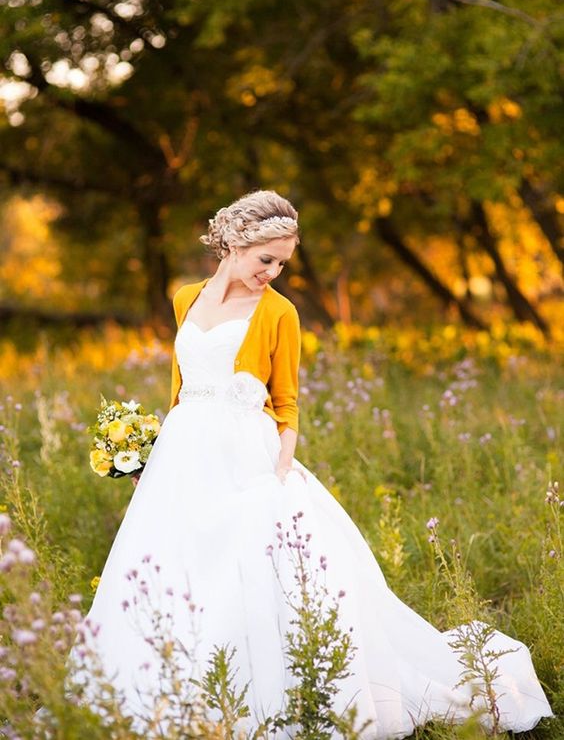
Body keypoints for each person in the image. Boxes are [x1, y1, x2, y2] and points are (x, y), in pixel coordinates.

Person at [69, 189, 553, 738]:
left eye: (281, 263)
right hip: (186, 454)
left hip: (248, 456)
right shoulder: (186, 298)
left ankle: (265, 696)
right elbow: (181, 391)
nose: (272, 272)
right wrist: (150, 456)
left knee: (248, 568)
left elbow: (289, 402)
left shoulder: (280, 313)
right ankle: (174, 689)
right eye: (265, 260)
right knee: (177, 565)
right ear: (233, 243)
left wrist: (280, 471)